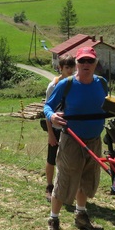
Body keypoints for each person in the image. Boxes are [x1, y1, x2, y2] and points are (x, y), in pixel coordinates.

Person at [43, 47, 108, 230]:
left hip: (94, 140)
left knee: (87, 179)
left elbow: (107, 104)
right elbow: (48, 106)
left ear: (96, 63)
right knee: (65, 179)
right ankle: (53, 221)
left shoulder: (102, 83)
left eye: (90, 61)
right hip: (72, 139)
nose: (86, 65)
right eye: (82, 61)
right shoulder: (67, 84)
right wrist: (52, 116)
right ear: (77, 64)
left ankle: (81, 216)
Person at [44, 54, 77, 202]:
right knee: (52, 158)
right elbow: (47, 109)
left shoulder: (77, 84)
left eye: (72, 67)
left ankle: (66, 188)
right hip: (56, 127)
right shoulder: (54, 85)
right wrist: (50, 133)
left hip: (71, 128)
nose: (70, 70)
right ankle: (49, 187)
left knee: (69, 160)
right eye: (67, 67)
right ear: (61, 68)